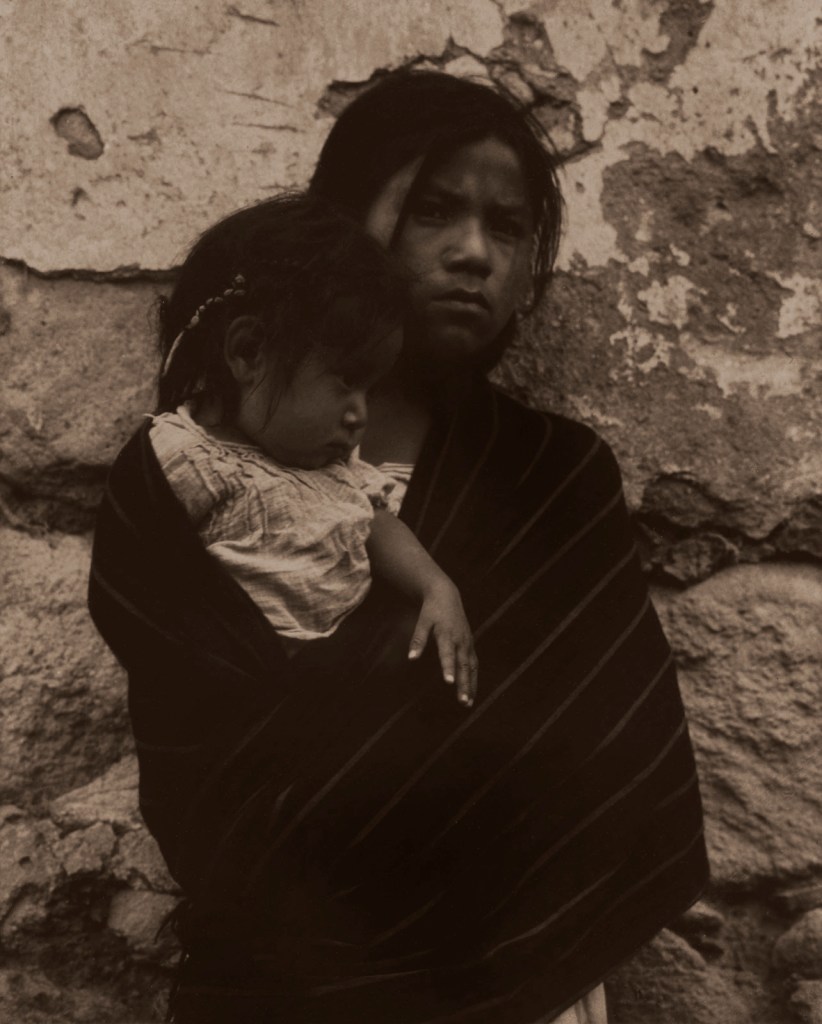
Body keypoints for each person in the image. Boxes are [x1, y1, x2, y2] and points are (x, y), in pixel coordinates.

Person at [89, 70, 708, 1024]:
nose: (475, 253)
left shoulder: (553, 482)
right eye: (434, 210)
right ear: (342, 223)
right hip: (271, 982)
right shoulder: (192, 472)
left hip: (512, 983)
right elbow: (201, 762)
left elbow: (601, 774)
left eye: (508, 228)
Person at [149, 193, 477, 704]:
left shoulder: (332, 466)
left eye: (370, 390)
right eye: (346, 381)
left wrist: (436, 587)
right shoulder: (186, 456)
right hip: (239, 694)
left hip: (342, 687)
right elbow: (147, 571)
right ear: (248, 352)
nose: (360, 413)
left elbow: (373, 522)